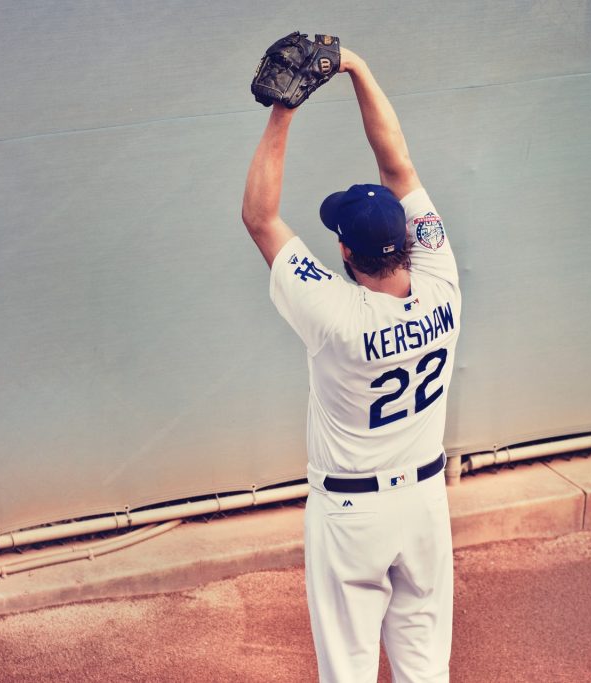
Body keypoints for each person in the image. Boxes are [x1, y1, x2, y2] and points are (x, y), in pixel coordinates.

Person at [241, 46, 461, 683]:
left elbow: (260, 218)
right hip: (424, 507)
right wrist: (359, 66)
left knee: (349, 673)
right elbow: (400, 165)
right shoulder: (443, 282)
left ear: (343, 249)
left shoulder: (335, 314)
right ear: (407, 239)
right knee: (427, 672)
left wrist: (285, 108)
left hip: (351, 519)